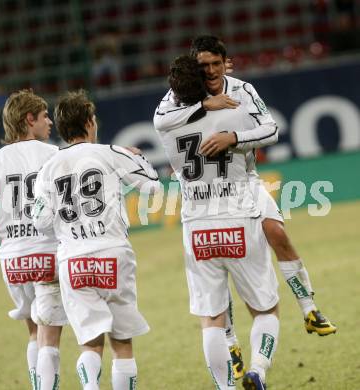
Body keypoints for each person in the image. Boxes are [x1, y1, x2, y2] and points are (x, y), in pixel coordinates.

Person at [154, 36, 336, 340]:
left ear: (227, 63)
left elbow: (272, 129)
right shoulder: (179, 95)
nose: (211, 71)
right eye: (204, 65)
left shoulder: (243, 89)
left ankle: (309, 308)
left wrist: (235, 137)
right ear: (194, 67)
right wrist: (203, 104)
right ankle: (230, 340)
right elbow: (161, 121)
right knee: (220, 261)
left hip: (245, 182)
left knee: (277, 233)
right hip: (209, 196)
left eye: (216, 64)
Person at [158, 54, 281, 390]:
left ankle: (225, 387)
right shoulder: (235, 108)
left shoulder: (164, 122)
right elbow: (269, 131)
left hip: (196, 225)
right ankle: (257, 369)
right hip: (238, 216)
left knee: (211, 320)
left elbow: (167, 107)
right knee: (266, 309)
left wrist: (199, 100)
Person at [32, 90, 160, 390]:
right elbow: (153, 189)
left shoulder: (48, 169)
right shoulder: (110, 153)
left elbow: (41, 220)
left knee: (90, 343)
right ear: (90, 123)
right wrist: (132, 160)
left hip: (73, 260)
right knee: (122, 342)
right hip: (112, 253)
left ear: (63, 128)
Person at [0, 89, 67, 390]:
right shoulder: (54, 155)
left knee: (32, 331)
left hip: (12, 258)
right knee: (49, 333)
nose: (49, 122)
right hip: (48, 251)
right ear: (29, 119)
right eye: (43, 116)